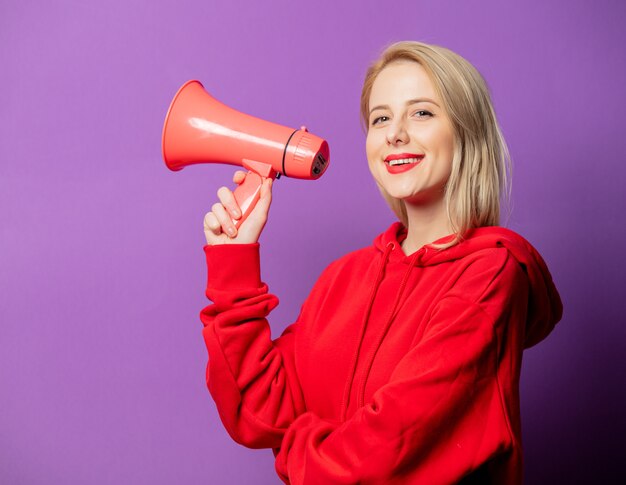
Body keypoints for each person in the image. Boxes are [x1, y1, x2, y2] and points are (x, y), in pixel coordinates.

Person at [200, 41, 563, 485]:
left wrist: (294, 452)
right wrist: (233, 260)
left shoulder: (491, 274)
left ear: (467, 131)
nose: (395, 133)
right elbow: (258, 412)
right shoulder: (342, 278)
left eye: (422, 113)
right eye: (381, 118)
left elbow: (386, 453)